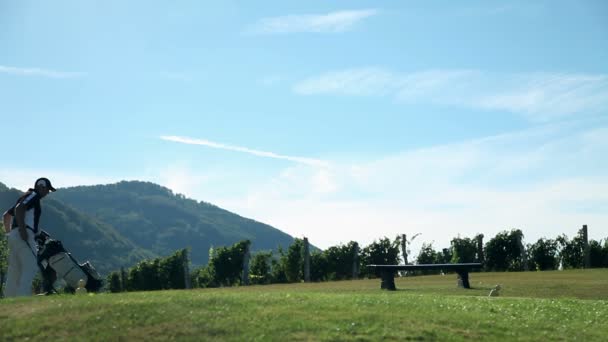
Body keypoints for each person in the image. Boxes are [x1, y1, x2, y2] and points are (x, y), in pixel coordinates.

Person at [2, 177, 56, 297]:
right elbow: (19, 209)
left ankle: (9, 299)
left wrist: (9, 234)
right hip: (24, 234)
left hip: (14, 236)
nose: (48, 193)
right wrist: (22, 230)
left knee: (14, 270)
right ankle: (23, 297)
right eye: (47, 189)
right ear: (41, 187)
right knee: (31, 266)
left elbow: (6, 216)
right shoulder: (34, 195)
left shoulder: (25, 196)